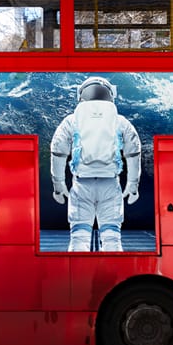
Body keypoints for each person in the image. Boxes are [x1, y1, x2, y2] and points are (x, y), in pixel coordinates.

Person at [50, 76, 141, 252]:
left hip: (81, 183)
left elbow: (58, 151)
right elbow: (133, 151)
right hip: (110, 183)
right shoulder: (120, 120)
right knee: (112, 238)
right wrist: (132, 184)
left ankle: (78, 277)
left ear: (81, 95)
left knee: (79, 238)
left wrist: (58, 184)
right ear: (110, 95)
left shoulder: (72, 120)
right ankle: (114, 276)